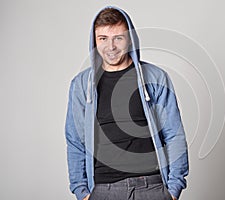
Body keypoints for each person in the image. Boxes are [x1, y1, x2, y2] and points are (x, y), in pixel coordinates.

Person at [65, 6, 188, 200]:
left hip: (151, 187)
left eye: (118, 38)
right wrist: (81, 191)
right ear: (94, 41)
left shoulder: (155, 78)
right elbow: (75, 140)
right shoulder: (81, 85)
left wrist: (173, 189)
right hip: (104, 190)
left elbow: (174, 134)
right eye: (103, 39)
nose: (111, 46)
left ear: (130, 39)